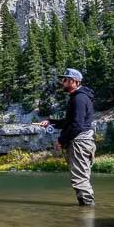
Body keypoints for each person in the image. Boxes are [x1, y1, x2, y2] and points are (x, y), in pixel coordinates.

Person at [38, 68, 96, 206]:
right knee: (82, 178)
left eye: (65, 80)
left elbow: (77, 125)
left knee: (79, 179)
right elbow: (70, 122)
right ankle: (86, 213)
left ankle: (87, 213)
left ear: (74, 82)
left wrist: (60, 140)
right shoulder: (79, 97)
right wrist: (51, 122)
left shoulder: (79, 99)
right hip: (83, 142)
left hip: (79, 143)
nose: (62, 82)